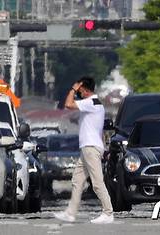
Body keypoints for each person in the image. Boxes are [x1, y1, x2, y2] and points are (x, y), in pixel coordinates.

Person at [54, 76, 114, 224]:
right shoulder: (94, 103)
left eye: (80, 91)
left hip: (91, 148)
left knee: (97, 182)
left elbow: (68, 104)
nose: (78, 93)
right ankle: (70, 213)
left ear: (86, 90)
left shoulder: (91, 102)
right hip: (88, 148)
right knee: (77, 180)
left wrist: (73, 88)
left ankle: (108, 212)